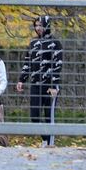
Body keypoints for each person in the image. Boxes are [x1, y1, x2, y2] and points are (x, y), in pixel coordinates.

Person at [16, 15, 63, 146]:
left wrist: (54, 86)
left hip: (50, 85)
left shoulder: (55, 43)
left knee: (49, 116)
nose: (38, 28)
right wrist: (21, 80)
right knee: (34, 116)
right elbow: (27, 62)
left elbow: (57, 65)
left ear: (47, 26)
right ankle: (45, 139)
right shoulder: (32, 43)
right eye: (36, 25)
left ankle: (49, 143)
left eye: (40, 25)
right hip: (36, 84)